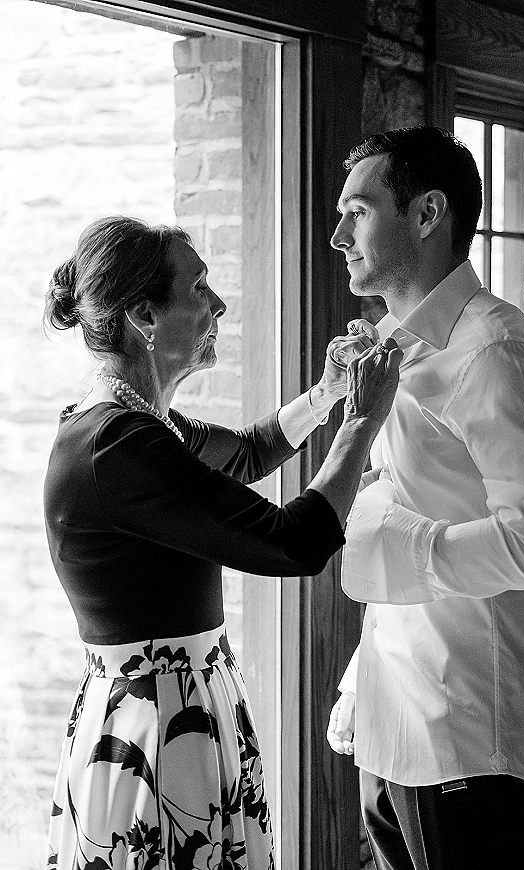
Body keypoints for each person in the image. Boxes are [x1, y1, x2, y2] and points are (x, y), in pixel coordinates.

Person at [42, 215, 403, 870]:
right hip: (155, 736)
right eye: (200, 288)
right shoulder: (119, 446)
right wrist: (364, 422)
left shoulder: (136, 423)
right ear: (144, 317)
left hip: (181, 706)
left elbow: (250, 452)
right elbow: (297, 542)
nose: (219, 304)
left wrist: (326, 396)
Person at [326, 127, 524, 870]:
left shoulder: (497, 350)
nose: (338, 235)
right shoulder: (394, 349)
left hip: (466, 743)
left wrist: (392, 548)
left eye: (358, 212)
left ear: (428, 213)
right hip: (393, 725)